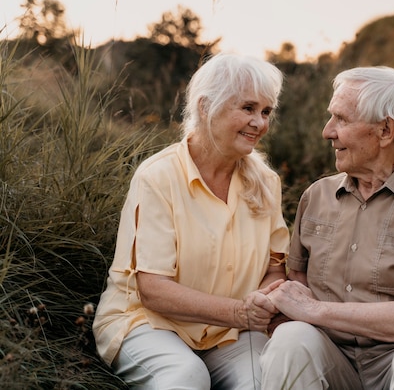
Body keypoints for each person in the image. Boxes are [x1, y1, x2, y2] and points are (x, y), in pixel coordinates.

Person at [261, 66, 394, 390]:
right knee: (291, 338)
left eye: (341, 119)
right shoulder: (315, 197)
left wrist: (315, 310)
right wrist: (269, 304)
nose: (327, 131)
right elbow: (296, 294)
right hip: (333, 359)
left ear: (385, 131)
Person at [93, 53, 289, 389]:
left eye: (266, 111)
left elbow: (275, 267)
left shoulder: (266, 183)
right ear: (205, 107)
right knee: (186, 375)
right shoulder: (158, 176)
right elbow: (153, 291)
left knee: (265, 381)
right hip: (149, 322)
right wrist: (240, 313)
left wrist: (260, 301)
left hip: (229, 334)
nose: (259, 123)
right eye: (248, 108)